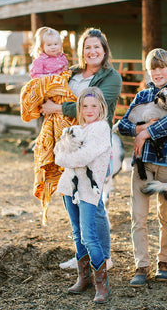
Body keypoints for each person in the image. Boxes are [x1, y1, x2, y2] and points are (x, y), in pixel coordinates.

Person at [40, 28, 122, 270]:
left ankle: (104, 258)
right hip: (71, 140)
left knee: (94, 204)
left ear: (104, 50)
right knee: (71, 199)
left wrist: (56, 109)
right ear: (82, 51)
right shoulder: (72, 72)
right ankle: (82, 258)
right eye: (87, 47)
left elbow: (95, 105)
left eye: (97, 46)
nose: (92, 51)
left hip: (94, 144)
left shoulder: (112, 78)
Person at [117, 48, 167, 286]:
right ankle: (141, 265)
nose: (158, 72)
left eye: (162, 68)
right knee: (138, 214)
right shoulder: (141, 97)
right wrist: (139, 130)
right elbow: (122, 125)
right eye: (153, 68)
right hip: (142, 165)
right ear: (149, 71)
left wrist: (146, 131)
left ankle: (165, 261)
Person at [54, 87, 112, 304]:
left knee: (89, 235)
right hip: (69, 187)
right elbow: (57, 152)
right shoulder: (74, 129)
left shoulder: (101, 129)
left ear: (101, 108)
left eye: (94, 106)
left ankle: (102, 284)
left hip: (88, 190)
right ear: (79, 108)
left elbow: (82, 157)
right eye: (85, 106)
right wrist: (65, 156)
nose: (89, 110)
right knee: (77, 232)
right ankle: (84, 277)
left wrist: (66, 157)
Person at [20, 26, 77, 225]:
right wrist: (51, 84)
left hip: (62, 102)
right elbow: (36, 82)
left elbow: (67, 76)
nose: (53, 47)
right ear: (42, 47)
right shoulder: (40, 62)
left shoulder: (63, 59)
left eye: (56, 44)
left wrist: (61, 82)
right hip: (50, 99)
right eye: (49, 45)